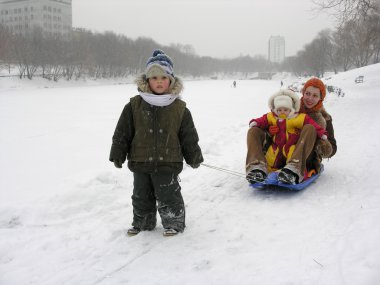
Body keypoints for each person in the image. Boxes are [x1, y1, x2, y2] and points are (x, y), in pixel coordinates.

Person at [109, 49, 204, 236]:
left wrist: (194, 156)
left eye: (163, 77)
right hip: (140, 160)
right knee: (141, 196)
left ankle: (174, 222)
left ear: (171, 80)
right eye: (154, 78)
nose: (159, 81)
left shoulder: (179, 108)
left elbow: (189, 136)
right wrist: (117, 153)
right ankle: (143, 222)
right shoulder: (134, 105)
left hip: (168, 162)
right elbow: (122, 132)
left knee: (169, 194)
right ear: (146, 81)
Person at [246, 78, 337, 185]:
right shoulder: (290, 107)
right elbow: (271, 119)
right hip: (279, 151)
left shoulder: (325, 118)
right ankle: (256, 167)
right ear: (303, 93)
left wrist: (320, 143)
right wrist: (270, 131)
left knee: (309, 128)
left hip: (305, 158)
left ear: (321, 98)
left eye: (315, 96)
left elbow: (332, 149)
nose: (310, 98)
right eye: (308, 93)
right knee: (254, 130)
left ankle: (294, 169)